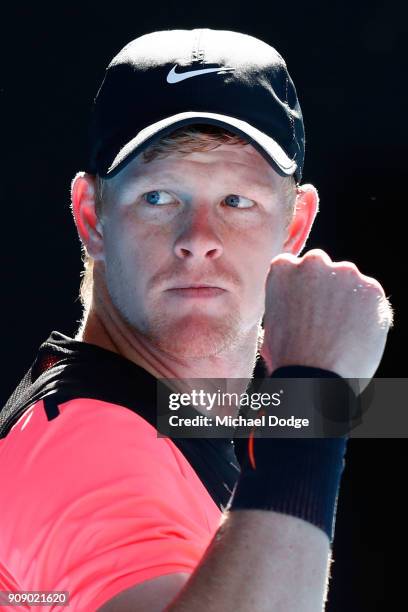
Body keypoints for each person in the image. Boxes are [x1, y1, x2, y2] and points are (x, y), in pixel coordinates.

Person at [0, 29, 392, 611]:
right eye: (159, 197)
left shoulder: (170, 408)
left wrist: (321, 396)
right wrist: (316, 378)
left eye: (237, 201)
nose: (199, 240)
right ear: (92, 218)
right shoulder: (87, 443)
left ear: (293, 226)